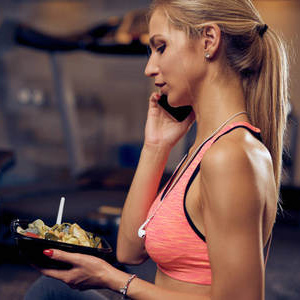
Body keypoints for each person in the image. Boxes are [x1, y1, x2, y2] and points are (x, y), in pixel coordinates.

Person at [24, 0, 290, 299]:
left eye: (160, 47)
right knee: (51, 289)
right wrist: (155, 147)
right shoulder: (204, 149)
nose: (150, 68)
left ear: (209, 41)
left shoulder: (231, 155)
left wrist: (116, 281)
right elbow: (128, 251)